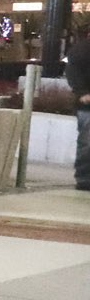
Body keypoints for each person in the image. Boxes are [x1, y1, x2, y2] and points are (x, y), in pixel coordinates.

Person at [66, 32, 90, 192]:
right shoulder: (83, 49)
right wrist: (83, 93)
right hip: (87, 106)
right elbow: (73, 71)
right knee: (87, 143)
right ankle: (84, 179)